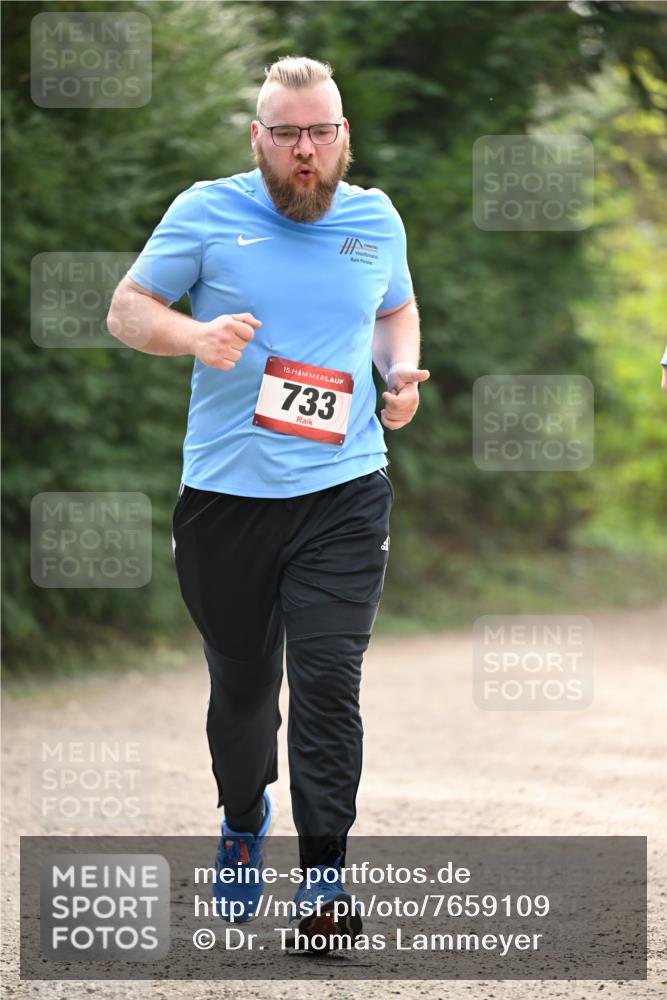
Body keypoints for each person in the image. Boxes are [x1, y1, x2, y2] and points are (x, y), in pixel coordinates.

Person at [107, 55, 429, 949]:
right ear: (258, 137)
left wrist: (396, 375)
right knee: (244, 690)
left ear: (343, 138)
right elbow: (126, 310)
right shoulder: (206, 211)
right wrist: (193, 334)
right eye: (285, 133)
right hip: (226, 499)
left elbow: (393, 312)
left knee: (328, 682)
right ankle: (243, 817)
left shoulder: (375, 218)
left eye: (319, 132)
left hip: (343, 491)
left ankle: (324, 880)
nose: (304, 150)